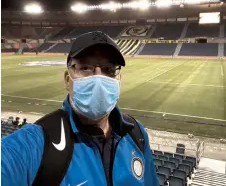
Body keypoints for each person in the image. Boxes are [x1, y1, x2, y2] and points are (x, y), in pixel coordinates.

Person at [2, 31, 159, 186]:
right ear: (67, 79)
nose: (99, 77)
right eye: (85, 67)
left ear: (119, 79)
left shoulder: (136, 133)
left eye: (109, 70)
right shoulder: (38, 142)